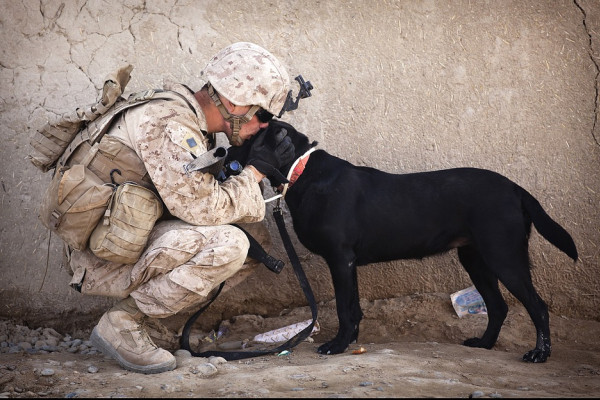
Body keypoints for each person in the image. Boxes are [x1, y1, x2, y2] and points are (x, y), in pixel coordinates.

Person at [67, 42, 297, 374]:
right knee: (233, 245)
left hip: (121, 237)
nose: (263, 126)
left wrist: (241, 166)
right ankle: (125, 322)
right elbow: (203, 208)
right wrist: (255, 171)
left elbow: (192, 195)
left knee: (254, 240)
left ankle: (147, 319)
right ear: (233, 102)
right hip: (100, 257)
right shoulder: (170, 124)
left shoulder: (184, 118)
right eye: (261, 115)